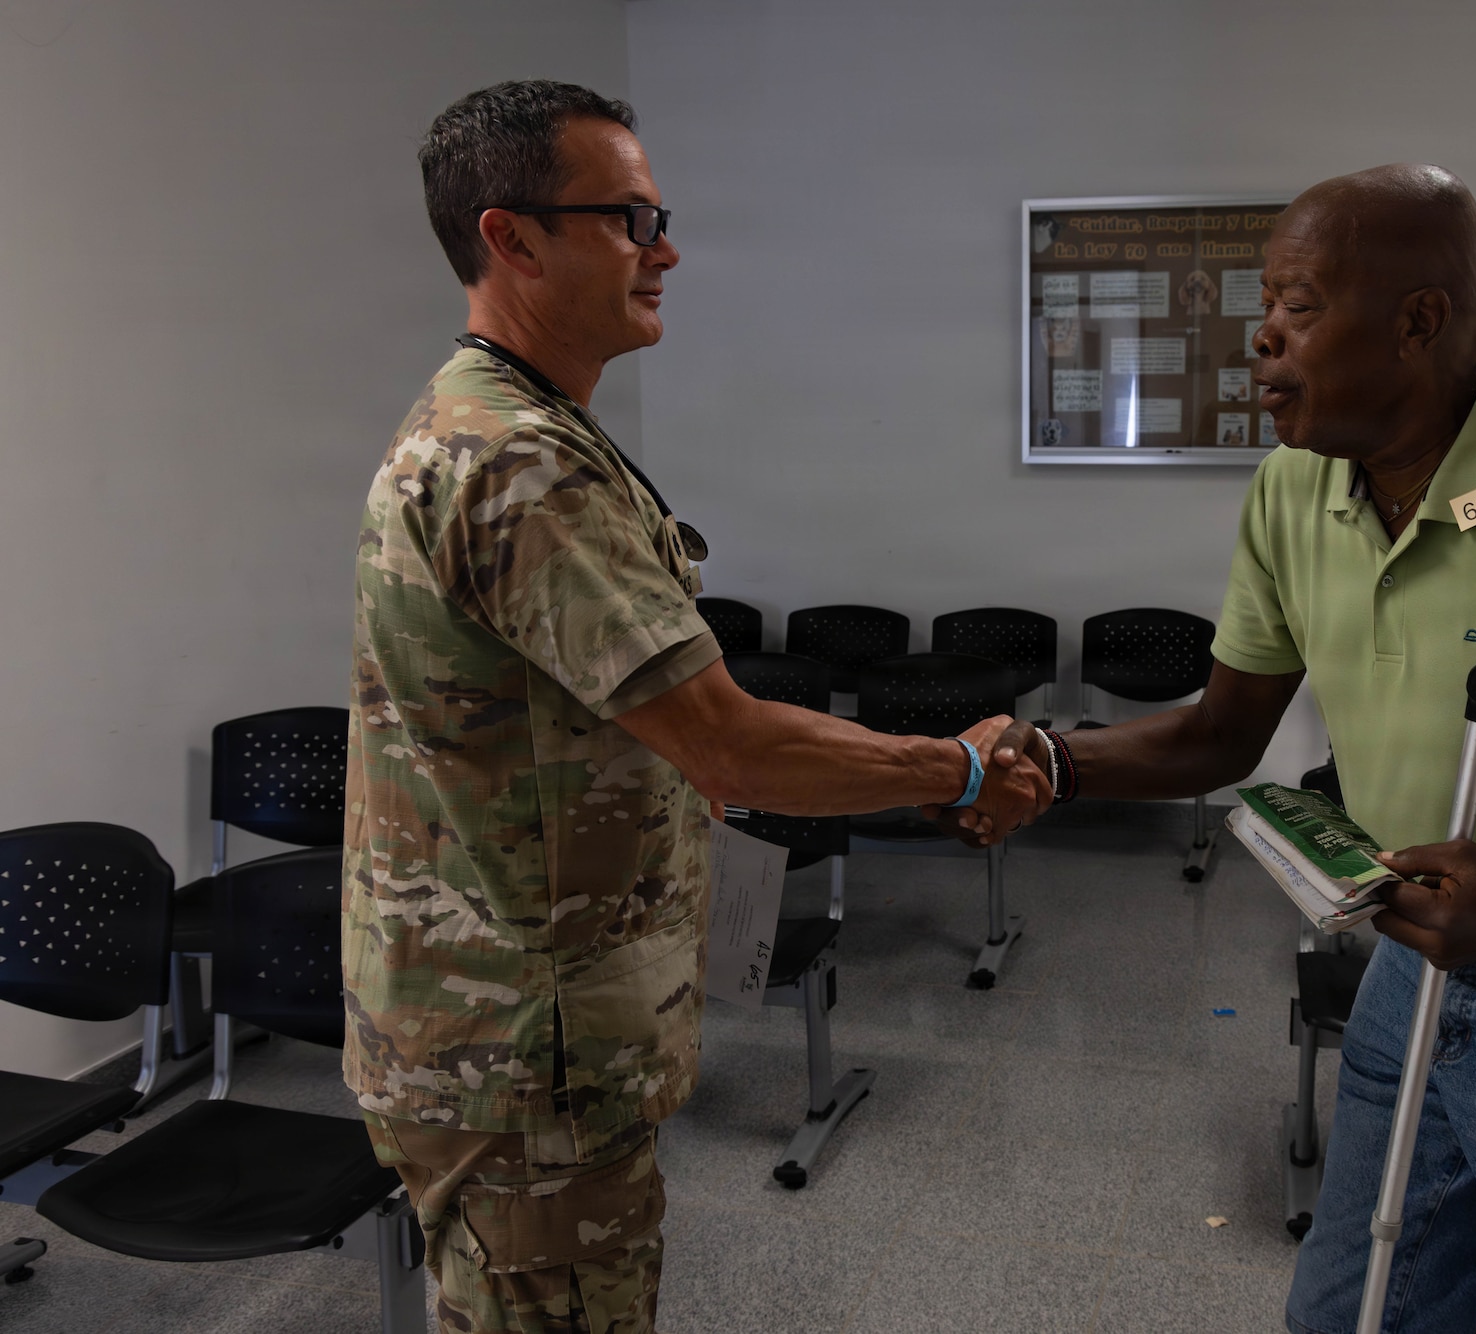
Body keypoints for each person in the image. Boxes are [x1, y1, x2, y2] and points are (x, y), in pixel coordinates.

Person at [970, 164, 1476, 1331]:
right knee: (1355, 1312)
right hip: (1413, 965)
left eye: (1297, 304)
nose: (1259, 336)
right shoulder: (1291, 494)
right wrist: (1050, 756)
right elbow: (1220, 732)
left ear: (1418, 321)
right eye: (1265, 302)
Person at [343, 80, 1046, 1334]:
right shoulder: (519, 463)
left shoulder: (514, 426)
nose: (665, 249)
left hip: (504, 1031)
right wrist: (965, 770)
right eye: (626, 217)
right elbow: (726, 736)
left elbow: (648, 733)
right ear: (511, 237)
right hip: (521, 1059)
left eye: (658, 214)